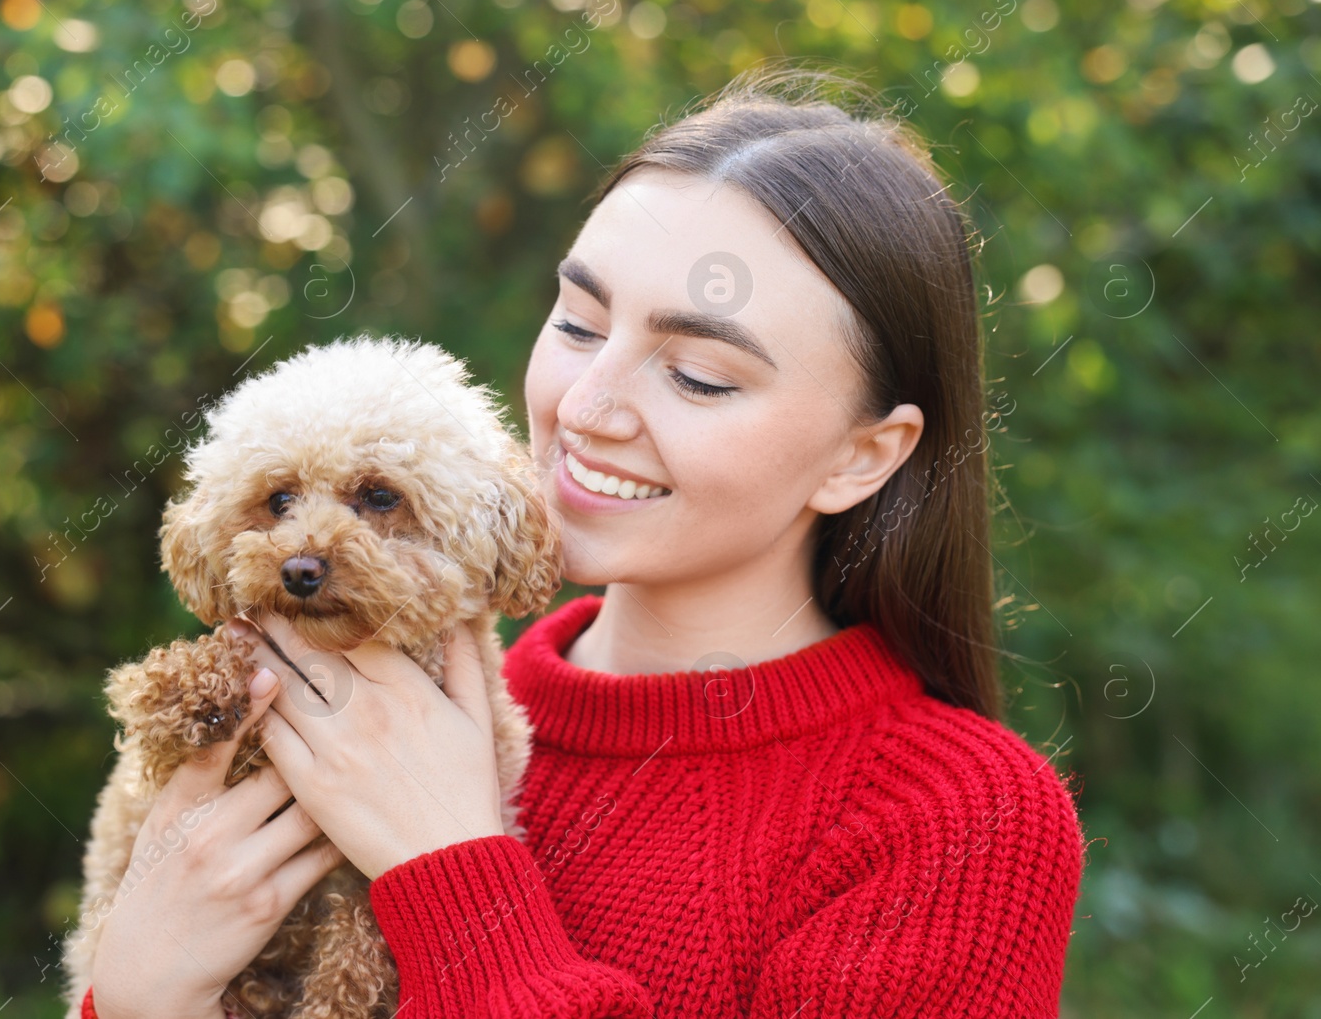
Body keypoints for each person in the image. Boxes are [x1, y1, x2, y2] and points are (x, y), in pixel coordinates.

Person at [83, 64, 1086, 1019]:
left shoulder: (959, 820)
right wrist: (135, 995)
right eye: (578, 323)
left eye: (696, 373)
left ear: (862, 456)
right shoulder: (371, 708)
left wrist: (455, 869)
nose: (589, 405)